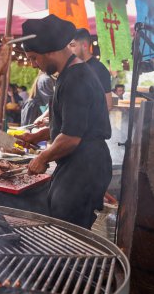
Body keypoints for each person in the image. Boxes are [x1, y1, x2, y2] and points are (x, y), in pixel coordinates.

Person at [16, 14, 112, 229]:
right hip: (78, 162)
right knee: (58, 214)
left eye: (34, 58)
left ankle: (74, 264)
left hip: (86, 165)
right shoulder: (68, 75)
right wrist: (37, 136)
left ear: (50, 51)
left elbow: (71, 138)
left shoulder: (76, 79)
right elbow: (68, 124)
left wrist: (42, 158)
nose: (33, 64)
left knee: (68, 229)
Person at [70, 28, 112, 111]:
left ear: (84, 46)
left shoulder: (99, 70)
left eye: (72, 45)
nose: (69, 49)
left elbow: (108, 105)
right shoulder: (72, 68)